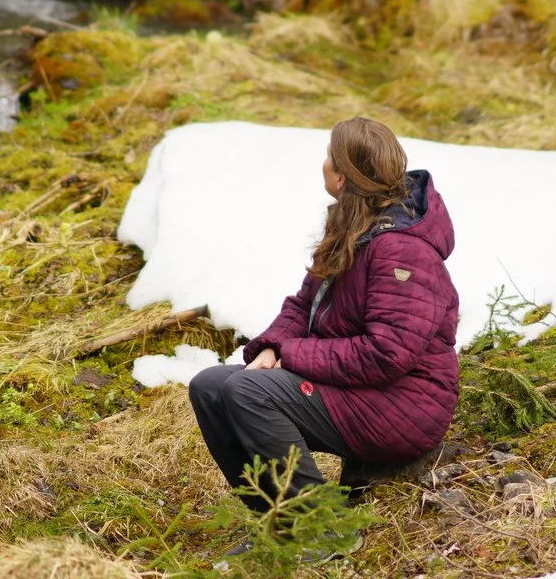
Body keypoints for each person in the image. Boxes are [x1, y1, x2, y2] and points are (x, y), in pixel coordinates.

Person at [186, 117, 461, 509]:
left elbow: (387, 353)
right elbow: (303, 303)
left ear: (343, 178)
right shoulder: (355, 226)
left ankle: (318, 530)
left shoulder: (402, 249)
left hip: (402, 405)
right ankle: (276, 520)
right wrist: (270, 347)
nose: (324, 163)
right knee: (211, 387)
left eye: (330, 156)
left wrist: (290, 355)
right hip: (358, 389)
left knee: (248, 392)